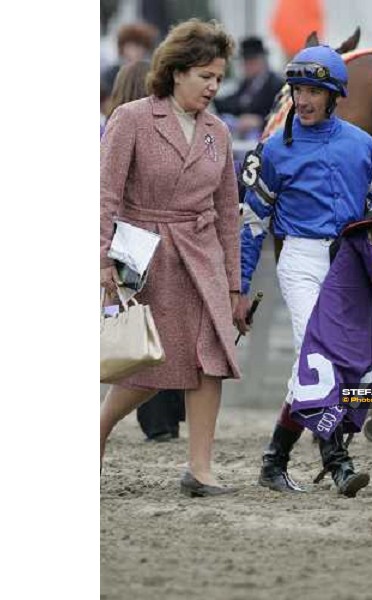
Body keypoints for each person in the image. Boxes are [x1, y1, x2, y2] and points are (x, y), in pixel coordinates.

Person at [233, 45, 372, 498]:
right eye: (297, 90)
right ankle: (339, 462)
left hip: (350, 264)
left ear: (333, 95)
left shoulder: (363, 146)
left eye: (312, 91)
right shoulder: (272, 151)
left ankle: (275, 459)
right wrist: (239, 288)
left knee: (359, 371)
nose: (302, 100)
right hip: (301, 261)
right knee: (318, 361)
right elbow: (252, 226)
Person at [100, 19, 241, 497]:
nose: (214, 86)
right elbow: (105, 196)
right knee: (149, 365)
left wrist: (235, 284)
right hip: (142, 254)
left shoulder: (218, 133)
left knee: (209, 358)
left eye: (219, 77)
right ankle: (97, 428)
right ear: (177, 71)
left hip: (201, 256)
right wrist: (102, 261)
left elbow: (227, 215)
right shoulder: (132, 118)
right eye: (206, 75)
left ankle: (199, 470)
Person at [103, 59, 187, 443]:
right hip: (149, 236)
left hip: (128, 239)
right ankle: (161, 420)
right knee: (161, 328)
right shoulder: (157, 126)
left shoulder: (116, 124)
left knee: (139, 328)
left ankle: (156, 423)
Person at [213, 36, 284, 138]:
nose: (246, 66)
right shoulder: (247, 84)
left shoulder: (276, 85)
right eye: (245, 62)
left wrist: (259, 121)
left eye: (250, 61)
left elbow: (282, 114)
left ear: (261, 61)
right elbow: (234, 102)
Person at [101, 22, 159, 94]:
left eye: (140, 46)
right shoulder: (112, 74)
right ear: (122, 48)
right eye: (131, 46)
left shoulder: (151, 73)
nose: (136, 51)